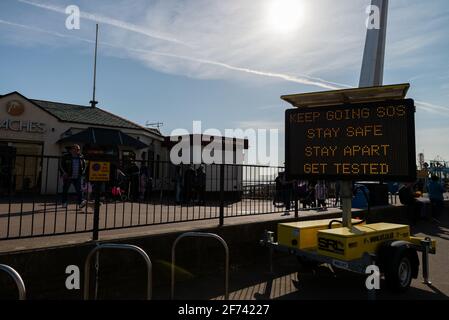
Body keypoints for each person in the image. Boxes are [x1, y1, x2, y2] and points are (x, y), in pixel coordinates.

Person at [59, 144, 87, 208]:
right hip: (68, 176)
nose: (76, 150)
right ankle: (64, 202)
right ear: (71, 149)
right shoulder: (66, 156)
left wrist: (82, 173)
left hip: (77, 176)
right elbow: (61, 165)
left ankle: (80, 203)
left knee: (79, 190)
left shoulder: (81, 156)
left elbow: (84, 165)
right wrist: (64, 173)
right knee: (65, 190)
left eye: (78, 149)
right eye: (75, 149)